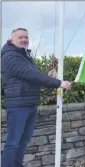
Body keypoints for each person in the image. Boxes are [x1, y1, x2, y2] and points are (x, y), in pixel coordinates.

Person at [1, 28, 72, 167]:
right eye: (20, 37)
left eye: (26, 37)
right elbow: (30, 74)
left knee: (24, 141)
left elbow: (31, 77)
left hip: (30, 104)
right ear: (12, 39)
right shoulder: (9, 56)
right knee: (13, 142)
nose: (24, 40)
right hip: (17, 106)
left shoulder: (25, 56)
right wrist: (58, 83)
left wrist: (47, 76)